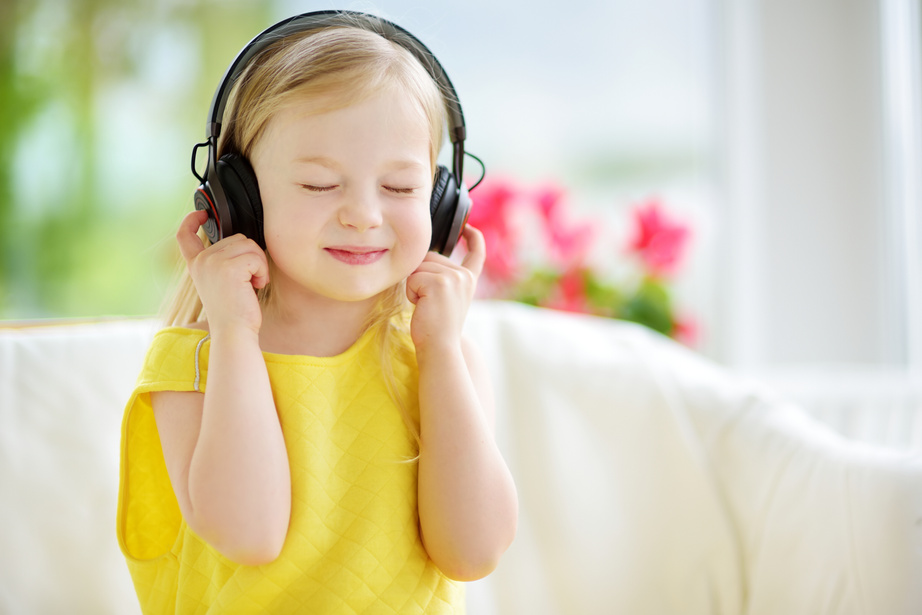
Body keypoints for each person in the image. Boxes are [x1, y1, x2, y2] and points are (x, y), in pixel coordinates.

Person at [116, 11, 518, 614]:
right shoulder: (195, 362)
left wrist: (439, 354)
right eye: (318, 186)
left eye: (402, 189)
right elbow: (250, 534)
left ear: (443, 206)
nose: (363, 214)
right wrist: (233, 332)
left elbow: (473, 550)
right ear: (236, 200)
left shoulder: (442, 355)